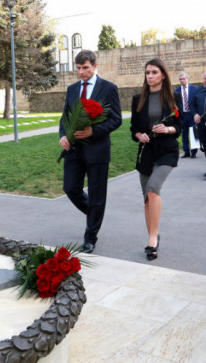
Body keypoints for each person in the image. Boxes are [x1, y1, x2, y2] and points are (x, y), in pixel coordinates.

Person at [58, 50, 122, 254]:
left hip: (97, 151)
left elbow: (116, 119)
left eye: (85, 68)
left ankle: (90, 236)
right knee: (70, 188)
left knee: (97, 195)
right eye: (78, 68)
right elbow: (65, 117)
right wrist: (63, 135)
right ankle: (95, 214)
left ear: (95, 66)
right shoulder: (72, 89)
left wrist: (93, 131)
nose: (81, 72)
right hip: (74, 150)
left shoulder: (108, 88)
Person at [130, 59, 181, 260]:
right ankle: (153, 234)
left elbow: (181, 126)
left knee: (153, 188)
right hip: (146, 152)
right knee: (146, 197)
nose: (150, 76)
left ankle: (152, 238)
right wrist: (139, 135)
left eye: (154, 72)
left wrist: (167, 129)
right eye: (147, 73)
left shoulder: (173, 98)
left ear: (163, 75)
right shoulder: (137, 99)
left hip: (167, 150)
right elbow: (134, 128)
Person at [174, 72, 198, 158]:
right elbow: (174, 105)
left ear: (187, 79)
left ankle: (194, 151)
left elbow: (197, 101)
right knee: (184, 133)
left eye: (183, 79)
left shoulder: (194, 88)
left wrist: (197, 114)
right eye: (180, 79)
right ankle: (186, 151)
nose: (182, 80)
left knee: (193, 133)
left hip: (192, 114)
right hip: (183, 115)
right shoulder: (176, 91)